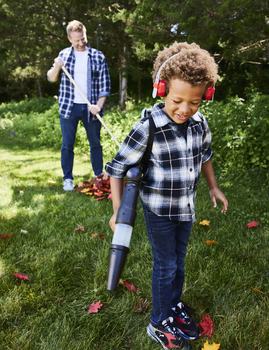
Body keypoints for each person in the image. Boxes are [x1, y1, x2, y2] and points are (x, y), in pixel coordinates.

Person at [105, 42, 228, 350]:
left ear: (206, 96)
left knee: (179, 263)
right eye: (177, 100)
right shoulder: (149, 125)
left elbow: (206, 156)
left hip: (185, 207)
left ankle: (172, 306)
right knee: (166, 265)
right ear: (161, 90)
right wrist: (119, 211)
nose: (185, 109)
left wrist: (213, 187)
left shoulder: (199, 124)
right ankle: (159, 323)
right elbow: (117, 168)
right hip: (159, 209)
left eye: (195, 102)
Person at [47, 20, 111, 191]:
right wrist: (57, 67)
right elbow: (51, 78)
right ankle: (67, 178)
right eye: (77, 40)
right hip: (69, 106)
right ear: (70, 39)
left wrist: (98, 105)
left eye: (83, 38)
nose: (81, 43)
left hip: (91, 108)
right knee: (67, 144)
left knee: (95, 143)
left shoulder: (98, 56)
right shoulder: (64, 55)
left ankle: (99, 176)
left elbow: (105, 86)